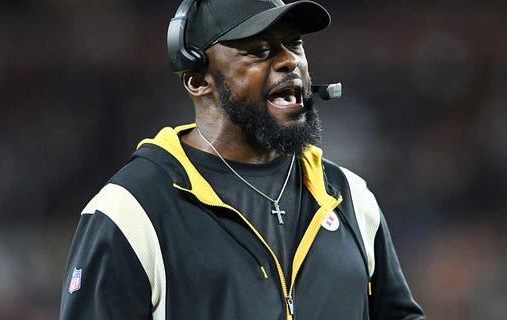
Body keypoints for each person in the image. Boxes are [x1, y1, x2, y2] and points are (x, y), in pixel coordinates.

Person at [59, 0, 425, 319]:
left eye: (294, 44)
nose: (289, 61)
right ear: (198, 81)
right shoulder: (132, 210)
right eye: (260, 50)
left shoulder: (349, 197)